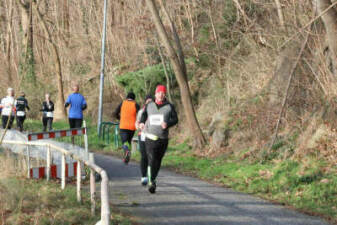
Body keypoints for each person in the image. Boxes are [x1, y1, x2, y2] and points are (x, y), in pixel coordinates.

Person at [139, 85, 178, 194]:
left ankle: (153, 178)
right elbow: (144, 115)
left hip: (163, 139)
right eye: (159, 93)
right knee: (151, 159)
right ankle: (151, 182)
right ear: (155, 94)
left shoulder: (170, 106)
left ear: (165, 94)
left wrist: (168, 123)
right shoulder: (149, 105)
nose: (161, 95)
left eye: (163, 93)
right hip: (150, 137)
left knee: (158, 161)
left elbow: (175, 119)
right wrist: (142, 122)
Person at [114, 92, 140, 164]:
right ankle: (126, 158)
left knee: (125, 142)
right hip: (132, 127)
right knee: (129, 141)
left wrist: (119, 118)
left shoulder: (122, 103)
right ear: (134, 98)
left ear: (127, 97)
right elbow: (141, 114)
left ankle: (127, 152)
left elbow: (115, 113)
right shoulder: (135, 104)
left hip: (123, 126)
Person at [135, 95, 153, 185]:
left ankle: (151, 176)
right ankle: (143, 176)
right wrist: (138, 126)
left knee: (151, 157)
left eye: (151, 101)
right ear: (145, 102)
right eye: (148, 101)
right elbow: (136, 122)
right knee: (144, 156)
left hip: (153, 136)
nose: (149, 103)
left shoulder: (155, 112)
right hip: (142, 135)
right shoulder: (141, 111)